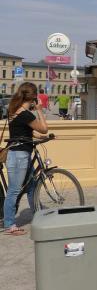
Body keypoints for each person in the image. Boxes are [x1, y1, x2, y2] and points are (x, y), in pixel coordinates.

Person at [3, 82, 48, 235]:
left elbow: (23, 130)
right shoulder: (25, 114)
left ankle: (39, 216)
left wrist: (40, 137)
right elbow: (44, 128)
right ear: (34, 97)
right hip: (19, 156)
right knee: (14, 191)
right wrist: (40, 110)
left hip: (19, 155)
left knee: (32, 187)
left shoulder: (15, 110)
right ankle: (10, 225)